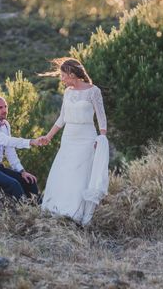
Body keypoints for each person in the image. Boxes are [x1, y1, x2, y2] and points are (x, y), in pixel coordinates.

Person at [40, 57, 109, 225]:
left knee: (81, 175)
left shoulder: (93, 91)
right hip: (69, 137)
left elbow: (101, 117)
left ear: (71, 74)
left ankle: (76, 213)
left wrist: (101, 137)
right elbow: (61, 118)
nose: (62, 79)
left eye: (63, 75)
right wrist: (48, 136)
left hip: (87, 137)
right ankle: (58, 209)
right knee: (65, 172)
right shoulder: (68, 92)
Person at [0, 96, 46, 201]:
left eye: (5, 107)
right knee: (13, 184)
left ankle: (38, 210)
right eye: (0, 108)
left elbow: (9, 150)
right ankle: (25, 212)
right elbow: (6, 140)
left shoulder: (5, 125)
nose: (4, 110)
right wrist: (31, 141)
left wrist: (22, 171)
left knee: (29, 180)